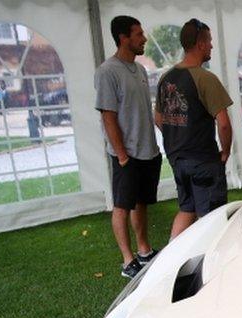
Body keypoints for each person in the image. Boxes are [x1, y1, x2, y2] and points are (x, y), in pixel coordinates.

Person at [95, 15, 163, 278]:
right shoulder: (107, 71)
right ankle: (127, 261)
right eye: (138, 34)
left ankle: (144, 251)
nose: (144, 38)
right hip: (126, 154)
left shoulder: (141, 70)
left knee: (141, 203)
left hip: (148, 150)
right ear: (123, 38)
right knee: (122, 206)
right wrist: (122, 155)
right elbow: (108, 116)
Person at [155, 18, 233, 239]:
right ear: (200, 44)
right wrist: (225, 152)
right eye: (209, 41)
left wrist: (179, 137)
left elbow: (158, 118)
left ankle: (169, 262)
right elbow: (224, 124)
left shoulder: (166, 78)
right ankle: (210, 266)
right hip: (203, 160)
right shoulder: (205, 78)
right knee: (212, 218)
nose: (211, 46)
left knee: (187, 208)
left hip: (177, 158)